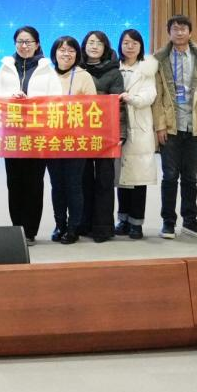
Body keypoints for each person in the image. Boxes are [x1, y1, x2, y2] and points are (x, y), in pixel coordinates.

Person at [0, 25, 60, 244]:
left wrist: (31, 102)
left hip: (37, 134)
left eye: (28, 42)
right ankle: (17, 228)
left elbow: (56, 99)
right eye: (20, 42)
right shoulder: (5, 67)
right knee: (14, 182)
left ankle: (30, 231)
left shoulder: (47, 69)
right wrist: (11, 97)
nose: (24, 46)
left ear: (37, 44)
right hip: (11, 133)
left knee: (34, 183)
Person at [152, 15, 197, 241]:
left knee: (190, 177)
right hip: (171, 126)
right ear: (169, 32)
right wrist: (160, 126)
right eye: (175, 29)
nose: (179, 33)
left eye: (183, 29)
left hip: (195, 126)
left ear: (190, 32)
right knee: (170, 176)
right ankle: (168, 222)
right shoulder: (160, 59)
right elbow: (157, 96)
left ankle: (190, 221)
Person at [46, 36, 96, 243]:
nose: (66, 54)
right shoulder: (46, 74)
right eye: (62, 50)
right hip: (51, 140)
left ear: (77, 54)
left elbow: (93, 108)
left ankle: (74, 228)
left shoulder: (84, 76)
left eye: (71, 50)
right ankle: (60, 225)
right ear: (54, 53)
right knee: (57, 185)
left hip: (76, 140)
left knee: (73, 185)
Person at [79, 30, 127, 242]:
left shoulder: (114, 72)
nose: (94, 46)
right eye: (91, 42)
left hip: (106, 135)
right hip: (80, 133)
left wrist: (120, 133)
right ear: (84, 46)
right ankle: (83, 224)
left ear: (105, 47)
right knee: (83, 180)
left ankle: (103, 227)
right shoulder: (76, 69)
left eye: (99, 43)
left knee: (105, 181)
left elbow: (119, 106)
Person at [115, 29, 159, 240]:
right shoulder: (115, 67)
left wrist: (130, 98)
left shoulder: (147, 69)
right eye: (126, 42)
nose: (130, 46)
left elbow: (149, 96)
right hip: (117, 127)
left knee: (138, 179)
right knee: (122, 178)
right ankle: (122, 219)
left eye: (134, 43)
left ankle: (136, 223)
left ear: (141, 46)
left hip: (139, 128)